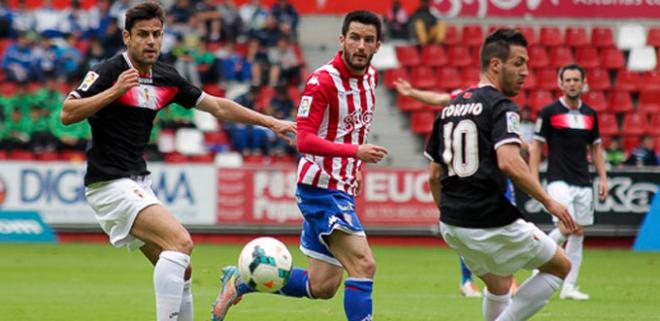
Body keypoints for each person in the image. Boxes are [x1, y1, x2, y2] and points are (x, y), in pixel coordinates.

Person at [60, 3, 295, 321]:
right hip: (110, 183)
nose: (151, 41)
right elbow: (67, 113)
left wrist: (271, 121)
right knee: (180, 241)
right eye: (143, 34)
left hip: (137, 182)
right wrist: (114, 91)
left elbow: (219, 108)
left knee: (181, 268)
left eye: (157, 34)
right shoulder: (108, 71)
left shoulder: (165, 77)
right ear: (127, 37)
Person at [212, 10, 387, 321]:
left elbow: (353, 128)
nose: (361, 45)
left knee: (323, 285)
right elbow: (304, 140)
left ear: (377, 46)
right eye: (355, 38)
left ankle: (241, 282)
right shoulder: (322, 82)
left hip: (342, 187)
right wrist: (355, 153)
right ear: (342, 40)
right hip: (320, 188)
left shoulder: (371, 77)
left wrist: (355, 168)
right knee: (364, 265)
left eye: (369, 40)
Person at [426, 28, 577, 321]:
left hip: (452, 224)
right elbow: (509, 162)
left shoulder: (449, 109)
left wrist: (448, 212)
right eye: (518, 63)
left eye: (526, 64)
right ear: (496, 64)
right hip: (489, 219)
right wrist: (550, 202)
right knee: (561, 266)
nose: (525, 72)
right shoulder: (501, 105)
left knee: (499, 283)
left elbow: (433, 175)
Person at [394, 77, 519, 298]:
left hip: (496, 176)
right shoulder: (471, 98)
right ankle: (467, 281)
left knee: (504, 230)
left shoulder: (499, 103)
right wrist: (412, 92)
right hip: (475, 178)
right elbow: (440, 99)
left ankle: (507, 279)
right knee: (471, 230)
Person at [530, 63, 608, 301]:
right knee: (567, 226)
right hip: (558, 179)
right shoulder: (549, 112)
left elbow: (595, 149)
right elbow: (536, 147)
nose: (572, 84)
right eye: (568, 80)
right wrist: (533, 178)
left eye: (576, 80)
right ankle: (536, 264)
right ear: (560, 83)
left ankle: (569, 287)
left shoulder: (590, 115)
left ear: (584, 83)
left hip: (583, 180)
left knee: (579, 232)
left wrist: (603, 177)